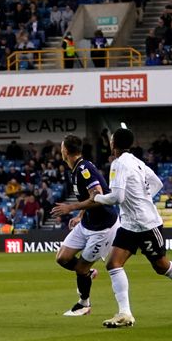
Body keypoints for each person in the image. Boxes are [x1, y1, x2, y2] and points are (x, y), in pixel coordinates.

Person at [87, 128, 172, 328]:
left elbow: (117, 198)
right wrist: (141, 199)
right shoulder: (137, 162)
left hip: (146, 224)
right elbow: (156, 184)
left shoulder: (119, 163)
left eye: (111, 140)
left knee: (161, 266)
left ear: (114, 143)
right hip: (130, 224)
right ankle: (125, 314)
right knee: (113, 264)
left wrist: (95, 198)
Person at [45, 134, 116, 317]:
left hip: (102, 228)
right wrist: (80, 215)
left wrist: (71, 207)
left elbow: (98, 197)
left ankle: (84, 304)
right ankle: (88, 273)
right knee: (62, 258)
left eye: (61, 147)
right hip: (87, 223)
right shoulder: (76, 169)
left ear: (66, 151)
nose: (60, 150)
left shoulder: (85, 169)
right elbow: (89, 197)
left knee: (80, 268)